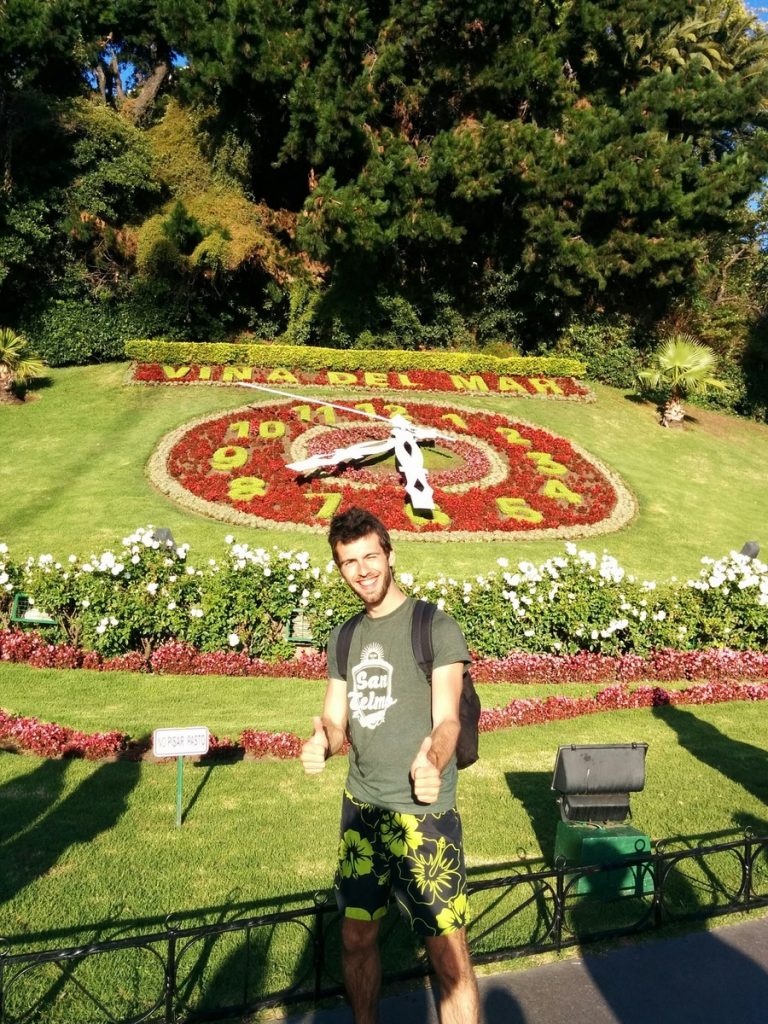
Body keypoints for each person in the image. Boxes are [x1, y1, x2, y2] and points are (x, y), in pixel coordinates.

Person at [300, 507, 480, 1024]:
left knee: (448, 959)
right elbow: (337, 722)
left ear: (389, 555)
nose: (362, 570)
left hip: (425, 816)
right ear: (340, 569)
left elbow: (448, 720)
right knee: (356, 940)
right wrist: (322, 740)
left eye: (370, 557)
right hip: (363, 813)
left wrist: (432, 758)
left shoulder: (435, 627)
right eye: (349, 562)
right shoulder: (344, 638)